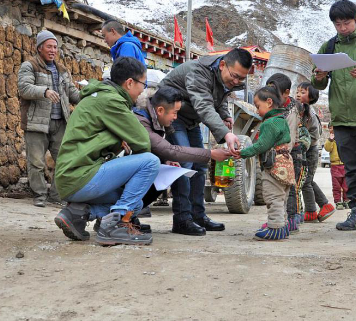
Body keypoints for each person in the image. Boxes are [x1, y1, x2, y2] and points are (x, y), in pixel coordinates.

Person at [53, 57, 160, 246]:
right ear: (129, 83)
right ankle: (116, 225)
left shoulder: (100, 96)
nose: (143, 90)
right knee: (150, 161)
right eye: (143, 84)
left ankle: (79, 213)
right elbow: (143, 141)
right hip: (80, 176)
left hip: (72, 179)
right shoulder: (111, 100)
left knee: (135, 203)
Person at [159, 47, 253, 235]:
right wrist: (226, 135)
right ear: (223, 65)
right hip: (173, 117)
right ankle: (182, 219)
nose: (236, 82)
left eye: (241, 79)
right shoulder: (198, 72)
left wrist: (225, 115)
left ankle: (198, 215)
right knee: (184, 163)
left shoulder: (224, 75)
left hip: (191, 119)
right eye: (234, 76)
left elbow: (220, 97)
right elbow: (203, 104)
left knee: (200, 166)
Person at [312, 0, 356, 231]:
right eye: (338, 24)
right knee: (351, 169)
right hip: (341, 119)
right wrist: (319, 77)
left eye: (346, 23)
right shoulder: (329, 47)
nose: (342, 28)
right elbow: (317, 84)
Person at [133, 85, 233, 234]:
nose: (175, 117)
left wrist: (165, 162)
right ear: (160, 110)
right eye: (175, 113)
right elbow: (170, 150)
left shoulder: (156, 118)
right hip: (112, 176)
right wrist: (210, 153)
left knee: (164, 171)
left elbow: (155, 149)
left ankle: (130, 216)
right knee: (153, 166)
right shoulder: (141, 120)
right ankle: (120, 217)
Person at [18, 30, 80, 207]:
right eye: (49, 46)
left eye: (55, 47)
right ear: (39, 48)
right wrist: (44, 91)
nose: (53, 50)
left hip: (60, 122)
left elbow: (72, 93)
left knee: (64, 160)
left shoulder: (62, 70)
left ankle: (56, 195)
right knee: (36, 162)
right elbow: (24, 88)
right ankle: (39, 196)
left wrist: (90, 95)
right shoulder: (29, 66)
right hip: (36, 123)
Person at [234, 86, 294, 241]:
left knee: (273, 196)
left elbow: (262, 145)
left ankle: (275, 227)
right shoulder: (281, 120)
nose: (257, 109)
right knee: (282, 197)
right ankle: (282, 224)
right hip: (286, 164)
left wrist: (243, 152)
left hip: (274, 166)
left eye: (258, 106)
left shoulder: (269, 123)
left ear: (269, 103)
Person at [265, 73, 305, 232]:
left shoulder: (291, 110)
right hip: (279, 153)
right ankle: (281, 221)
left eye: (275, 94)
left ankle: (288, 221)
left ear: (286, 93)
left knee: (285, 189)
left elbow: (288, 139)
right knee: (280, 189)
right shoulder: (275, 107)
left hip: (289, 154)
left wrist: (280, 154)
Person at [296, 81, 335, 222]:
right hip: (303, 150)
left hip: (309, 151)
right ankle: (325, 205)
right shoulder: (299, 111)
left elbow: (314, 136)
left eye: (303, 92)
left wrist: (301, 144)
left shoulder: (310, 114)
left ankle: (312, 211)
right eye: (298, 91)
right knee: (306, 181)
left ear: (311, 97)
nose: (298, 94)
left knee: (306, 181)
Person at [324, 127, 348, 209]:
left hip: (344, 164)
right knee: (336, 185)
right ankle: (338, 201)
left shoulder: (345, 137)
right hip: (335, 165)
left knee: (346, 185)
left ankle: (346, 200)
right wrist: (330, 140)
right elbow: (327, 148)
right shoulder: (331, 141)